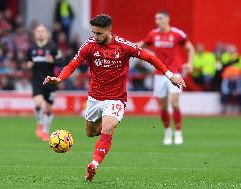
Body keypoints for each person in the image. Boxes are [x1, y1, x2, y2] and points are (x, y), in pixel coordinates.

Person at [43, 14, 185, 181]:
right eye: (94, 33)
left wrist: (170, 76)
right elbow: (73, 64)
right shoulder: (89, 46)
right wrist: (60, 78)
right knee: (90, 132)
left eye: (99, 34)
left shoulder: (124, 46)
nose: (96, 37)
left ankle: (93, 165)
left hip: (116, 98)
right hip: (95, 98)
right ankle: (106, 129)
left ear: (110, 30)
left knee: (107, 128)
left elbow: (150, 57)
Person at [138, 11, 195, 145]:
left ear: (168, 19)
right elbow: (141, 45)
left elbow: (190, 47)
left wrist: (190, 63)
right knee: (163, 107)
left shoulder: (176, 34)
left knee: (174, 103)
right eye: (156, 18)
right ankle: (168, 131)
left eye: (160, 18)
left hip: (175, 73)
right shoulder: (153, 34)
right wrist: (127, 47)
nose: (158, 21)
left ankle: (178, 132)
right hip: (159, 74)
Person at [27, 25, 62, 141]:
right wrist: (28, 64)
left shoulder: (53, 47)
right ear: (35, 34)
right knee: (37, 102)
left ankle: (46, 131)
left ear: (46, 33)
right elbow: (27, 60)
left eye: (42, 31)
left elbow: (62, 60)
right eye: (38, 31)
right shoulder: (31, 48)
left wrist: (54, 61)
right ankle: (40, 124)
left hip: (50, 80)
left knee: (49, 108)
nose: (40, 33)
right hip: (37, 79)